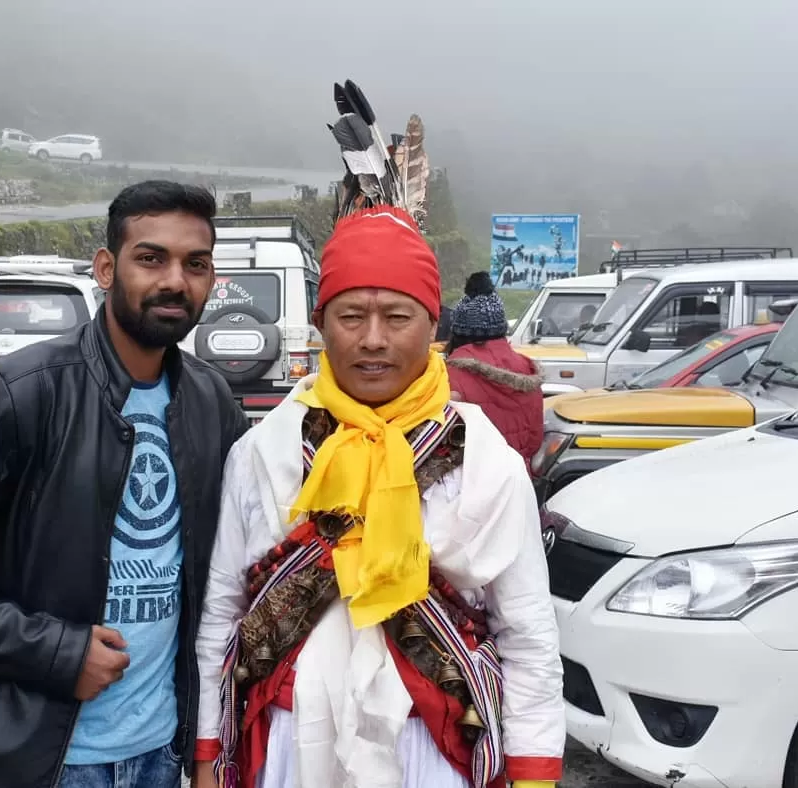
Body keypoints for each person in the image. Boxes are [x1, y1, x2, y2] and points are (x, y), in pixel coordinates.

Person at [0, 180, 250, 788]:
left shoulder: (212, 403)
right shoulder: (24, 392)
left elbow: (231, 572)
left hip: (161, 751)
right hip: (41, 757)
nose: (175, 281)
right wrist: (54, 652)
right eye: (150, 258)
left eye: (195, 264)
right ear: (106, 267)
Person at [191, 206, 564, 788]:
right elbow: (223, 610)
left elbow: (527, 632)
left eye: (396, 316)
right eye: (350, 316)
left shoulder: (486, 462)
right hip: (289, 745)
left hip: (432, 751)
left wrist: (535, 770)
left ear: (433, 324)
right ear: (321, 322)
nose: (372, 339)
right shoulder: (267, 451)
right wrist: (208, 752)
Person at [446, 272, 544, 472]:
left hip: (470, 486)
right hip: (518, 481)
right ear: (501, 328)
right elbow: (534, 442)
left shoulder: (450, 374)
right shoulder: (528, 369)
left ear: (458, 331)